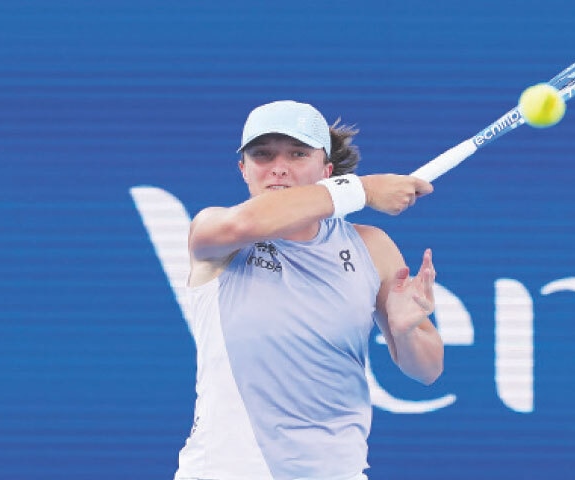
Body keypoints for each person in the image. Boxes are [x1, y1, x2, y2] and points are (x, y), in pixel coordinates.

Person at [174, 100, 444, 480]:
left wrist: (405, 331)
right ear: (244, 170)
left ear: (327, 169)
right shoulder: (216, 231)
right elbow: (246, 222)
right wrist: (363, 190)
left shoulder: (371, 247)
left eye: (298, 153)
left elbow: (429, 370)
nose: (279, 167)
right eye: (262, 155)